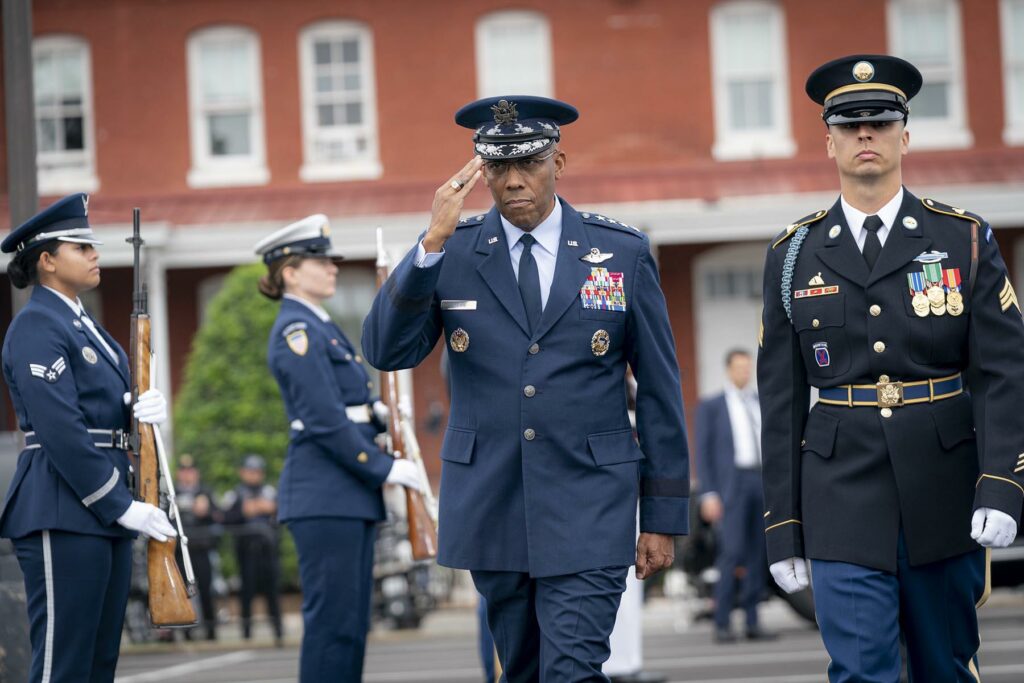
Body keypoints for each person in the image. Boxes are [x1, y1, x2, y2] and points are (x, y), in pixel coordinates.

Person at [362, 96, 690, 680]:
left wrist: (662, 513)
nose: (514, 181)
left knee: (572, 670)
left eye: (529, 164)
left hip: (591, 502)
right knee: (523, 671)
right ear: (480, 171)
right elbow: (386, 351)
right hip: (494, 505)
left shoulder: (620, 252)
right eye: (497, 168)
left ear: (558, 162)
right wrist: (428, 247)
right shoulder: (452, 251)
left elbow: (661, 390)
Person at [759, 54, 1024, 682]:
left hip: (943, 486)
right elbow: (781, 402)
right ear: (828, 141)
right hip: (840, 494)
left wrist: (1003, 484)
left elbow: (1004, 373)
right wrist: (782, 525)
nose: (865, 137)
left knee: (944, 667)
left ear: (905, 135)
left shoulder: (961, 238)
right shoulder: (794, 254)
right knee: (859, 672)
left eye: (879, 123)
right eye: (850, 126)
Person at [0, 193, 174, 682]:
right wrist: (117, 503)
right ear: (47, 260)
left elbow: (98, 404)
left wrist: (135, 406)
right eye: (81, 246)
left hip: (100, 511)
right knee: (65, 665)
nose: (95, 253)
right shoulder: (36, 325)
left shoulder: (84, 325)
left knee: (98, 665)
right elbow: (60, 428)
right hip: (64, 507)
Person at [254, 215, 422, 680]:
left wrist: (377, 415)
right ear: (289, 271)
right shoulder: (297, 331)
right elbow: (324, 419)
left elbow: (347, 405)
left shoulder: (318, 324)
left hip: (344, 495)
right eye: (320, 261)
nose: (331, 268)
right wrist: (382, 467)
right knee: (332, 625)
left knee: (350, 625)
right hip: (327, 495)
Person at [696, 349, 774, 644]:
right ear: (728, 370)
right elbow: (702, 452)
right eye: (739, 368)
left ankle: (753, 621)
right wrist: (708, 493)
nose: (744, 372)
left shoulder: (758, 401)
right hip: (732, 485)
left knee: (758, 553)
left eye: (747, 367)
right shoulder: (712, 405)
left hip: (760, 481)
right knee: (731, 552)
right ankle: (722, 622)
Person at [223, 454, 283, 644]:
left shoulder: (269, 492)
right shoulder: (236, 494)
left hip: (268, 549)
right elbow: (225, 519)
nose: (254, 475)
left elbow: (281, 514)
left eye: (257, 472)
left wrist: (270, 508)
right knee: (246, 592)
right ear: (242, 472)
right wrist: (243, 511)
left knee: (272, 591)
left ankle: (278, 630)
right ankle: (246, 632)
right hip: (246, 549)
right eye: (250, 471)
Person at [174, 454, 221, 641]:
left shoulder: (206, 492)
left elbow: (219, 516)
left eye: (190, 471)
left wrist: (207, 509)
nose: (187, 475)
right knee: (184, 590)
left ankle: (211, 628)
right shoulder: (172, 492)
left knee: (207, 588)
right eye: (184, 471)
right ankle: (187, 630)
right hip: (181, 548)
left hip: (201, 547)